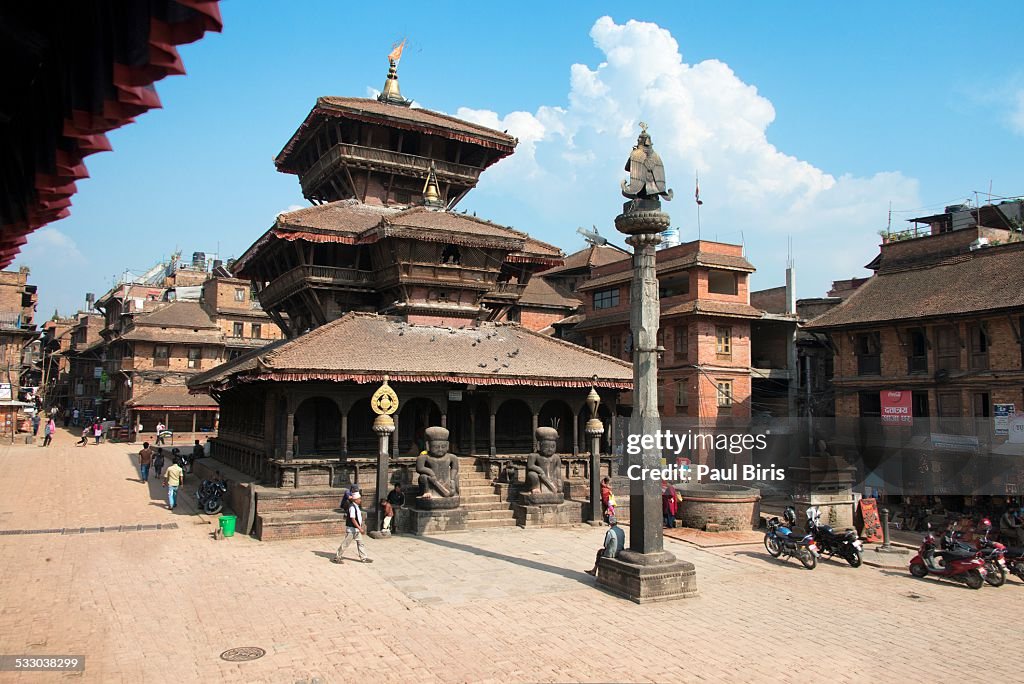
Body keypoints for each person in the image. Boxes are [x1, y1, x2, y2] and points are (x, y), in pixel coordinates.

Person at [333, 491, 372, 564]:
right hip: (352, 529)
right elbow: (353, 519)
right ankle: (337, 557)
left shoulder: (356, 507)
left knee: (361, 543)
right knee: (345, 544)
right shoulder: (352, 507)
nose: (360, 500)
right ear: (355, 500)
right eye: (359, 499)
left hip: (356, 529)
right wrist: (360, 528)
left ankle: (363, 558)